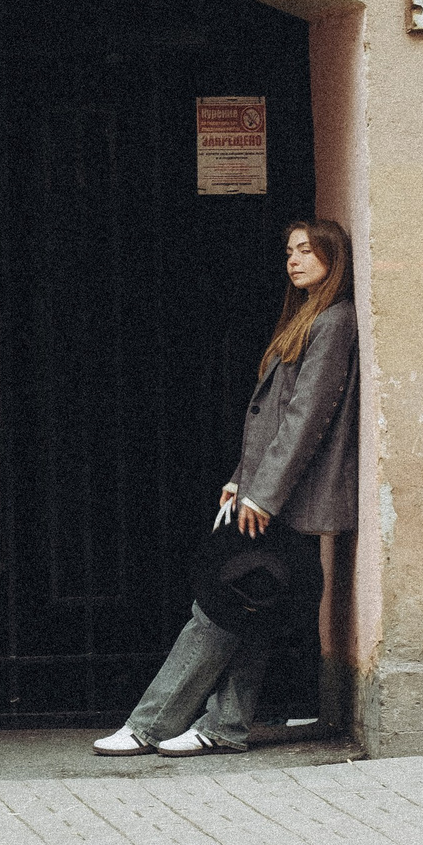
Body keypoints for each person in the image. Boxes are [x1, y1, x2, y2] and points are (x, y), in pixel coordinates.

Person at [95, 217, 359, 757]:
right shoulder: (307, 318)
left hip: (286, 499)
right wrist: (241, 478)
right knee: (251, 603)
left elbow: (306, 418)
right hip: (267, 492)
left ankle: (148, 724)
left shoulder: (334, 322)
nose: (294, 259)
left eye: (307, 251)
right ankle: (225, 726)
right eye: (289, 251)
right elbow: (271, 418)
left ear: (333, 257)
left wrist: (262, 494)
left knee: (219, 607)